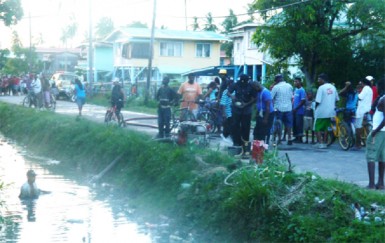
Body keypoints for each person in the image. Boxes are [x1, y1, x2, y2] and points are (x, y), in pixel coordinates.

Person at [227, 74, 257, 157]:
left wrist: (246, 104)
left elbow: (255, 98)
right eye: (242, 81)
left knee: (246, 127)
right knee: (235, 125)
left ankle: (245, 144)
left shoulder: (251, 86)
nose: (243, 82)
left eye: (245, 81)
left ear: (247, 80)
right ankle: (236, 142)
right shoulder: (236, 84)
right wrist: (232, 96)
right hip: (236, 108)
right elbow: (228, 92)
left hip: (246, 109)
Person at [365, 77, 385, 190]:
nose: (376, 87)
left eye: (377, 85)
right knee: (382, 157)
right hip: (384, 132)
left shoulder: (383, 99)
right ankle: (380, 183)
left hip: (379, 131)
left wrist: (374, 132)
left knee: (371, 156)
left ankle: (371, 184)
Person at [314, 73, 339, 149]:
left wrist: (315, 108)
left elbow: (318, 101)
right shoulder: (333, 87)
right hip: (331, 111)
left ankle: (320, 143)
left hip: (321, 111)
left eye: (319, 79)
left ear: (323, 79)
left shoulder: (321, 88)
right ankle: (325, 143)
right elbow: (337, 99)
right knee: (326, 128)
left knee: (317, 127)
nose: (318, 81)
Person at [271, 74, 294, 145]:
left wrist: (273, 106)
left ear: (277, 80)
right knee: (288, 124)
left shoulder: (276, 87)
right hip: (288, 108)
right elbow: (291, 97)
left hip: (278, 108)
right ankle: (289, 138)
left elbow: (271, 98)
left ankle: (279, 139)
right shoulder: (289, 86)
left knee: (278, 123)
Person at [352, 78, 373, 150]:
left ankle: (358, 144)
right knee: (366, 126)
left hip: (361, 111)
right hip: (367, 109)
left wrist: (358, 92)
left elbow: (360, 97)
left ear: (363, 83)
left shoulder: (365, 88)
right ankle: (369, 143)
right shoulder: (370, 89)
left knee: (358, 128)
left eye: (361, 84)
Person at [219, 78, 234, 145]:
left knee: (231, 128)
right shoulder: (226, 92)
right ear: (229, 85)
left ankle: (229, 141)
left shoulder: (233, 91)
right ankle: (226, 140)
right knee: (227, 128)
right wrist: (224, 114)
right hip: (228, 113)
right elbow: (223, 104)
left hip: (233, 113)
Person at [292, 77, 306, 143]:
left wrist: (296, 108)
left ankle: (300, 139)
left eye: (296, 81)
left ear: (300, 82)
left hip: (299, 111)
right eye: (294, 81)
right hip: (294, 110)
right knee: (295, 124)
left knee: (299, 124)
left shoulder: (302, 90)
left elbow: (303, 101)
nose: (295, 83)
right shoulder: (295, 90)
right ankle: (296, 137)